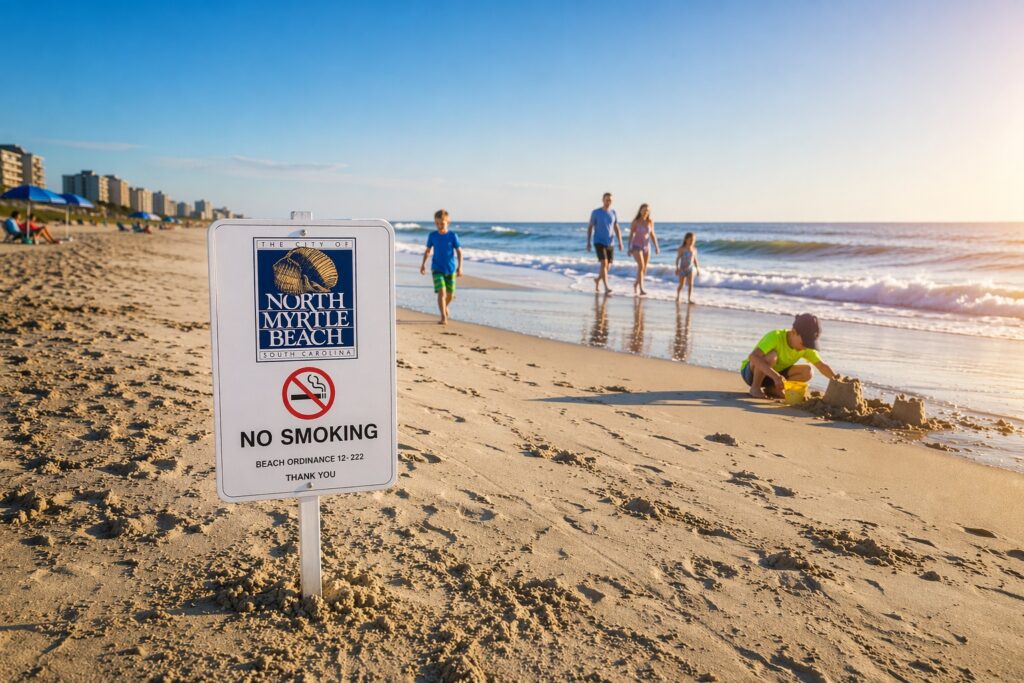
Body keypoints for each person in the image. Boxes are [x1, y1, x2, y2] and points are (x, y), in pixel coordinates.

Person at [741, 313, 838, 399]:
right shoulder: (775, 337)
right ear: (793, 332)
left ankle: (773, 389)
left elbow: (821, 365)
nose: (804, 348)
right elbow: (753, 357)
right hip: (751, 374)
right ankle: (755, 388)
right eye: (803, 343)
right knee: (772, 356)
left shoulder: (805, 348)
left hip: (775, 378)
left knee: (808, 371)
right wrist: (775, 376)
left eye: (808, 345)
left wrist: (837, 380)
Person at [420, 208, 463, 325]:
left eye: (442, 223)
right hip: (437, 269)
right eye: (437, 223)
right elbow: (428, 251)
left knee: (450, 295)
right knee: (442, 293)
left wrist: (460, 267)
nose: (439, 226)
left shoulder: (453, 236)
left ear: (448, 222)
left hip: (451, 269)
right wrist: (423, 264)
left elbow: (459, 251)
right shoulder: (432, 235)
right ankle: (443, 317)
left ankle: (444, 307)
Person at [586, 192, 624, 294]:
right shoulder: (596, 212)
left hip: (610, 243)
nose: (608, 202)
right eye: (606, 200)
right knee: (604, 263)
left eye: (610, 200)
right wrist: (588, 242)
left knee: (608, 266)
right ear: (603, 200)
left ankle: (598, 279)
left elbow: (616, 227)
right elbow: (590, 228)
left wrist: (620, 241)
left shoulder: (613, 213)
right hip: (598, 241)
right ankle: (606, 287)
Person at [627, 204, 659, 295]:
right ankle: (641, 289)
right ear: (640, 210)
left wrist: (656, 246)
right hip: (636, 246)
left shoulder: (650, 222)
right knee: (641, 266)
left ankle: (636, 284)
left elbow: (652, 234)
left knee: (644, 269)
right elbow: (631, 235)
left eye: (647, 210)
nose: (646, 212)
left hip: (647, 247)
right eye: (644, 210)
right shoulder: (635, 222)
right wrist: (629, 247)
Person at [675, 232, 700, 304]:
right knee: (681, 285)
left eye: (693, 240)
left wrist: (697, 269)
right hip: (682, 269)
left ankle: (689, 299)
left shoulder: (694, 249)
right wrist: (677, 268)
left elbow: (695, 260)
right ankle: (678, 296)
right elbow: (678, 259)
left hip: (690, 269)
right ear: (686, 240)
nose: (692, 241)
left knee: (691, 284)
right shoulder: (681, 249)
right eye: (690, 239)